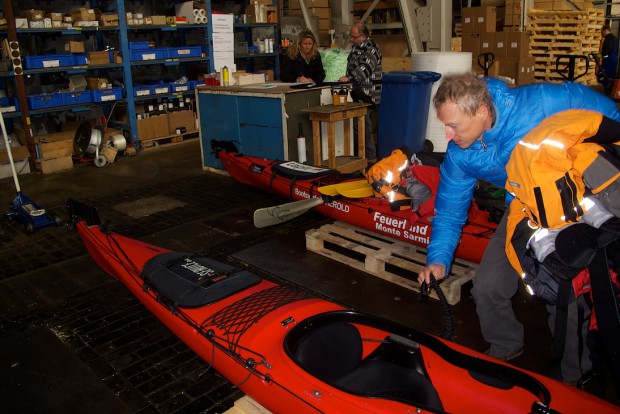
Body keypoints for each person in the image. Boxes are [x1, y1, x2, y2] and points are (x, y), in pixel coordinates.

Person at [416, 73, 620, 384]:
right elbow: (449, 211)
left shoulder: (542, 102)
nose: (447, 135)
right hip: (524, 207)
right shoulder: (461, 154)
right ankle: (506, 345)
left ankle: (574, 379)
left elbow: (606, 114)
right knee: (487, 286)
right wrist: (438, 259)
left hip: (574, 196)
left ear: (482, 111)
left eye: (453, 125)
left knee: (565, 295)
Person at [339, 22, 382, 163]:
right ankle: (361, 156)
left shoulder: (371, 48)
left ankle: (370, 158)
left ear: (363, 36)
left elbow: (365, 68)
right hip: (356, 91)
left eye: (354, 37)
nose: (351, 39)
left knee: (364, 125)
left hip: (368, 93)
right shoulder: (356, 48)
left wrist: (349, 78)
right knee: (359, 125)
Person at [597, 24, 618, 93]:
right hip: (614, 61)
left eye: (602, 32)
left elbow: (606, 52)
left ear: (606, 30)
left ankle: (608, 87)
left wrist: (599, 56)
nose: (601, 33)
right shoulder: (614, 38)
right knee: (610, 77)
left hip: (608, 61)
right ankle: (610, 89)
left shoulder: (608, 39)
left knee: (600, 75)